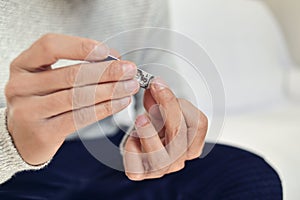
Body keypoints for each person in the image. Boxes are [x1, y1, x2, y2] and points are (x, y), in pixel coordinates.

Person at [0, 0, 282, 199]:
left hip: (104, 159)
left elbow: (163, 80)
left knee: (249, 177)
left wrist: (172, 134)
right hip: (9, 179)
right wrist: (12, 142)